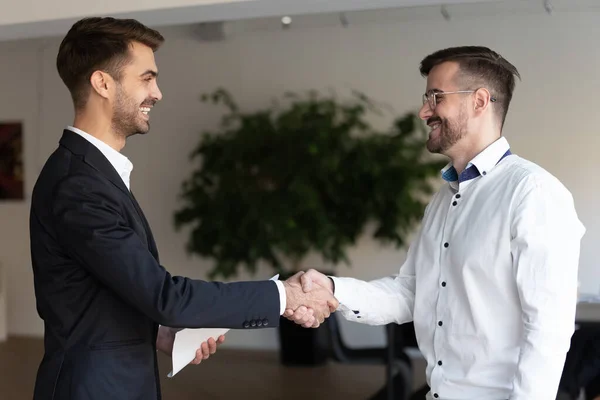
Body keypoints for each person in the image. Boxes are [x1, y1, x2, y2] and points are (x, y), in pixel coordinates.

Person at [29, 17, 337, 400]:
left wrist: (158, 331)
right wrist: (283, 296)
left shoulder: (90, 174)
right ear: (103, 83)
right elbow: (165, 297)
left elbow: (98, 292)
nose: (157, 93)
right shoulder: (78, 184)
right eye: (146, 78)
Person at [285, 46, 586, 400]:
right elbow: (410, 293)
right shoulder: (445, 198)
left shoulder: (532, 193)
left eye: (435, 96)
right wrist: (333, 289)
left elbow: (548, 329)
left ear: (479, 101)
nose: (423, 111)